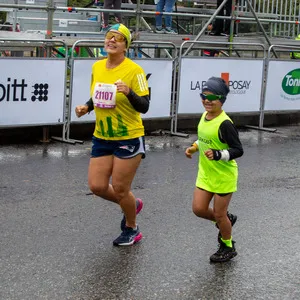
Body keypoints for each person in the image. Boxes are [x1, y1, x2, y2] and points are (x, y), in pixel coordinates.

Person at [75, 24, 150, 246]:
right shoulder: (97, 67)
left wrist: (129, 92)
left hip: (128, 136)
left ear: (126, 45)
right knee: (96, 186)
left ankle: (132, 227)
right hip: (102, 135)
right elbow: (98, 96)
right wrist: (86, 108)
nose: (112, 41)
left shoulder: (135, 70)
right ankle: (131, 203)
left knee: (119, 188)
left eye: (118, 38)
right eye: (109, 37)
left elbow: (144, 106)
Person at [185, 77, 243, 263]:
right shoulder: (204, 115)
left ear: (222, 100)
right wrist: (194, 147)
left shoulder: (225, 123)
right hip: (206, 173)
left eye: (213, 97)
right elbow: (204, 138)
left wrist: (219, 155)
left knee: (219, 214)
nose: (207, 101)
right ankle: (226, 220)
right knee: (199, 209)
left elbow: (238, 150)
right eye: (204, 96)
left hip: (224, 176)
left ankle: (227, 245)